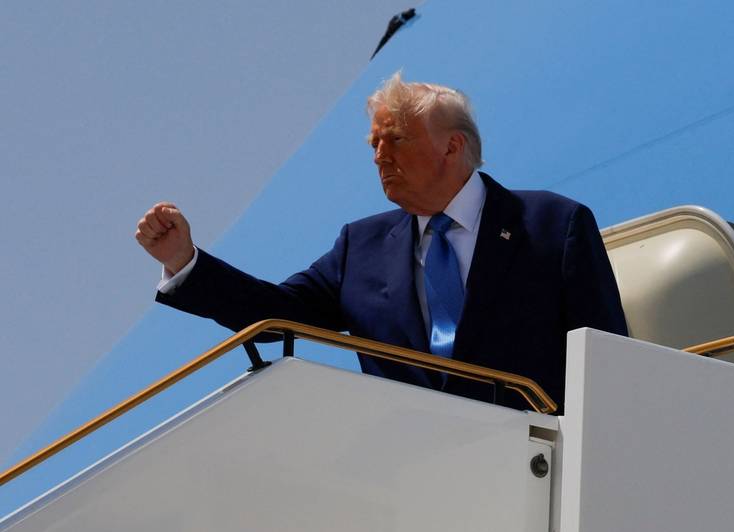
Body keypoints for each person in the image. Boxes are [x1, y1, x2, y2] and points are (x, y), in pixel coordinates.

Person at [136, 73, 627, 413]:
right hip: (411, 479)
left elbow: (608, 364)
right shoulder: (361, 247)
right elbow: (276, 317)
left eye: (395, 139)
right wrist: (184, 260)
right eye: (374, 144)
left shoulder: (552, 224)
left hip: (541, 472)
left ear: (452, 145)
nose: (379, 155)